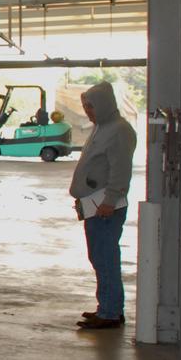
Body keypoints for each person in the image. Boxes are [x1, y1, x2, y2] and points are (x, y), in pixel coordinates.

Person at [69, 81, 137, 329]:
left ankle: (109, 312)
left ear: (105, 105)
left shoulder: (119, 131)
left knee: (105, 256)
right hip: (93, 205)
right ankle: (108, 307)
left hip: (104, 208)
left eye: (91, 107)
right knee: (99, 256)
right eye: (86, 107)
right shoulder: (102, 127)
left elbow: (120, 171)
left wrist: (110, 200)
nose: (88, 111)